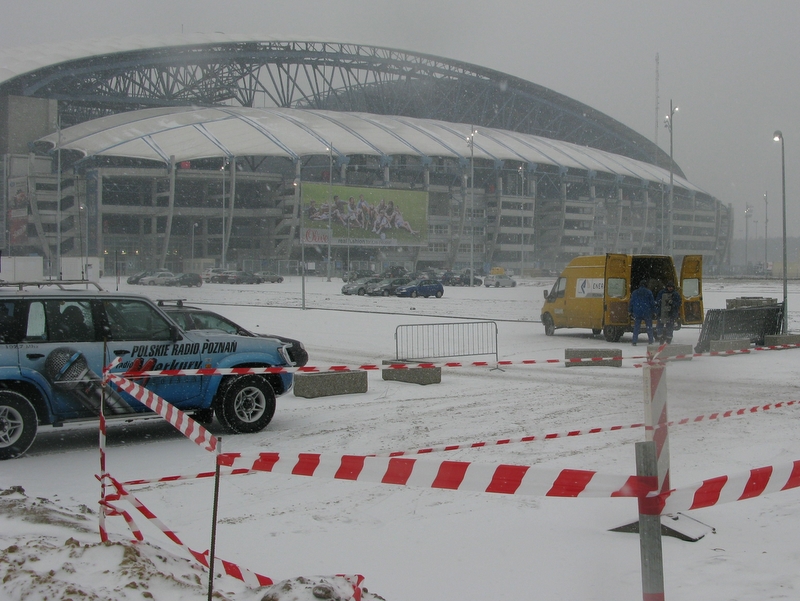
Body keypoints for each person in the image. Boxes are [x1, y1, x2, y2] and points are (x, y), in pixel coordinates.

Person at [628, 279, 655, 346]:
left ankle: (634, 341)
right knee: (649, 326)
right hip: (647, 311)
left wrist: (630, 310)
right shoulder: (649, 292)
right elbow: (652, 303)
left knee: (636, 327)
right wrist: (654, 311)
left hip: (637, 311)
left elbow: (631, 302)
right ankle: (650, 340)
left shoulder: (635, 292)